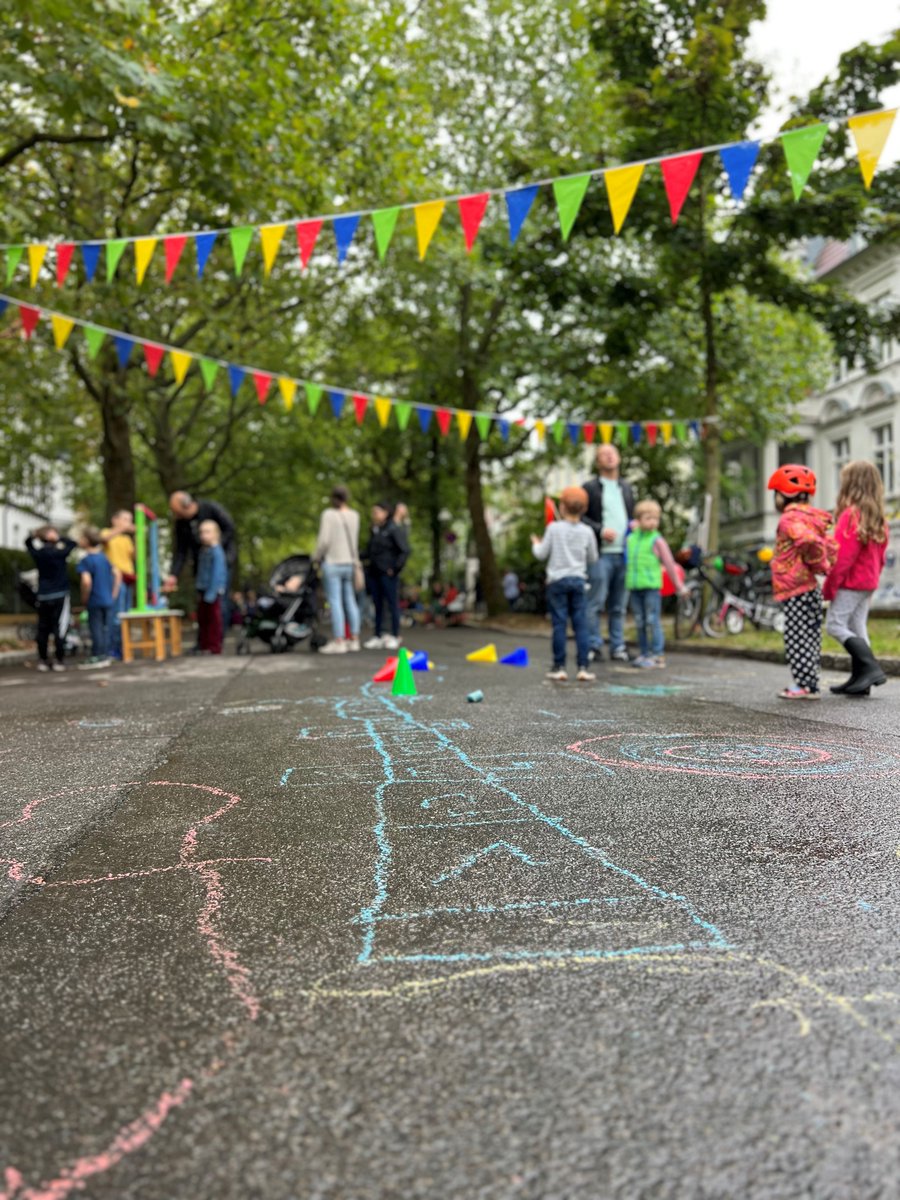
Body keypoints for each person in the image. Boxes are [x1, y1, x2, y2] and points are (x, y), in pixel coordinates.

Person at [768, 464, 838, 701]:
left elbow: (809, 541)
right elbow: (827, 544)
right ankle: (810, 684)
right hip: (809, 589)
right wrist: (821, 565)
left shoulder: (789, 519)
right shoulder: (810, 518)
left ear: (783, 495)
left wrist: (819, 563)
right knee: (810, 637)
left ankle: (803, 685)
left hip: (796, 589)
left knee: (796, 637)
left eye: (775, 493)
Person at [824, 460, 889, 696]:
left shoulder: (851, 516)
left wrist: (830, 588)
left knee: (834, 625)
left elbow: (842, 559)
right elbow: (881, 558)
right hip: (868, 583)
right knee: (857, 626)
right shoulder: (878, 518)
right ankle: (861, 679)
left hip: (850, 583)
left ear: (850, 484)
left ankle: (870, 668)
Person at [531, 485, 598, 682]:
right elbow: (593, 558)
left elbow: (541, 554)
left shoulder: (553, 528)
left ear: (561, 507)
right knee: (581, 625)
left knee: (559, 624)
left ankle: (559, 667)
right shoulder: (587, 531)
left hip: (557, 582)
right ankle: (583, 667)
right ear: (584, 509)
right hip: (578, 581)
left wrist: (535, 542)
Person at [582, 444, 635, 663]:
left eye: (612, 453)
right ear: (598, 462)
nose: (609, 456)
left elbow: (631, 516)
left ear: (619, 458)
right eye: (603, 454)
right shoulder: (590, 487)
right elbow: (581, 517)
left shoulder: (627, 487)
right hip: (600, 554)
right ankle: (593, 645)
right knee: (595, 602)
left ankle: (618, 647)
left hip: (624, 555)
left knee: (619, 606)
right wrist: (601, 531)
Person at [625, 500, 687, 669]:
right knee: (639, 621)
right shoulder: (631, 538)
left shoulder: (657, 540)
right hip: (634, 585)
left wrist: (679, 586)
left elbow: (669, 563)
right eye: (648, 518)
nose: (653, 522)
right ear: (639, 519)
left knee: (653, 620)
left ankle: (658, 655)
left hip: (651, 586)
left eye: (656, 518)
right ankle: (644, 653)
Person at [315, 485, 361, 654]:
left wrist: (316, 556)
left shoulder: (328, 515)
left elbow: (324, 541)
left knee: (335, 601)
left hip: (333, 562)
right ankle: (354, 639)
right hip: (349, 563)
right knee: (350, 600)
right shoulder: (355, 516)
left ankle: (339, 640)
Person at [25, 524, 77, 672]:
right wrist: (58, 538)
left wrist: (35, 535)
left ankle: (43, 659)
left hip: (43, 596)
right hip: (60, 594)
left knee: (43, 628)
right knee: (59, 628)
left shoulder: (39, 554)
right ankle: (59, 660)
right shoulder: (60, 553)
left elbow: (28, 543)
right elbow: (72, 543)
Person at [163, 491, 237, 592]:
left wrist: (214, 546)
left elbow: (230, 528)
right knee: (203, 596)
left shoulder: (210, 508)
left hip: (222, 561)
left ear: (187, 505)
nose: (178, 516)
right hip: (201, 566)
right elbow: (181, 551)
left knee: (219, 597)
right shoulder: (181, 524)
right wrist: (174, 574)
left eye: (179, 513)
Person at [363, 502, 410, 651]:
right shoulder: (375, 530)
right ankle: (378, 635)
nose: (374, 515)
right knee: (377, 605)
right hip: (374, 573)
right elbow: (369, 551)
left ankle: (394, 635)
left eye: (377, 512)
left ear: (385, 512)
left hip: (388, 573)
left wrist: (395, 569)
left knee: (392, 604)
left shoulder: (393, 529)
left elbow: (405, 550)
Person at [78, 527, 120, 669]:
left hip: (94, 599)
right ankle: (106, 654)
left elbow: (86, 581)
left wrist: (85, 597)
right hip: (107, 598)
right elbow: (117, 574)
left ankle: (97, 656)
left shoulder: (86, 561)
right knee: (106, 627)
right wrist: (113, 593)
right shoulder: (104, 558)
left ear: (86, 541)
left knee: (95, 628)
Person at [100, 509, 136, 658]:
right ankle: (111, 648)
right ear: (115, 520)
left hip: (128, 578)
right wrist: (122, 528)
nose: (128, 523)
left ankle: (122, 647)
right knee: (116, 614)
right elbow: (104, 540)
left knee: (125, 613)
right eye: (125, 519)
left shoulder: (126, 539)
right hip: (115, 578)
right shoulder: (106, 532)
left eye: (130, 520)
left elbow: (134, 556)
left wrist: (138, 535)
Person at [195, 520, 228, 655]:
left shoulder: (217, 552)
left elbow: (218, 573)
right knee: (203, 619)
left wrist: (212, 593)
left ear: (215, 534)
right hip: (203, 589)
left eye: (207, 532)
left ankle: (214, 646)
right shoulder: (204, 551)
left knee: (214, 620)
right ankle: (205, 646)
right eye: (201, 532)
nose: (203, 535)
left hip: (212, 592)